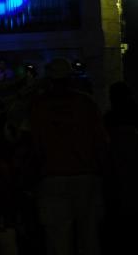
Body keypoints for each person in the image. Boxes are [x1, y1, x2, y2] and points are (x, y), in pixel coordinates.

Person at [28, 58, 109, 255]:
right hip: (86, 175)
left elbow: (33, 144)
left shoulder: (38, 106)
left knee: (58, 241)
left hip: (52, 177)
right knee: (89, 237)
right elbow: (101, 142)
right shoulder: (86, 103)